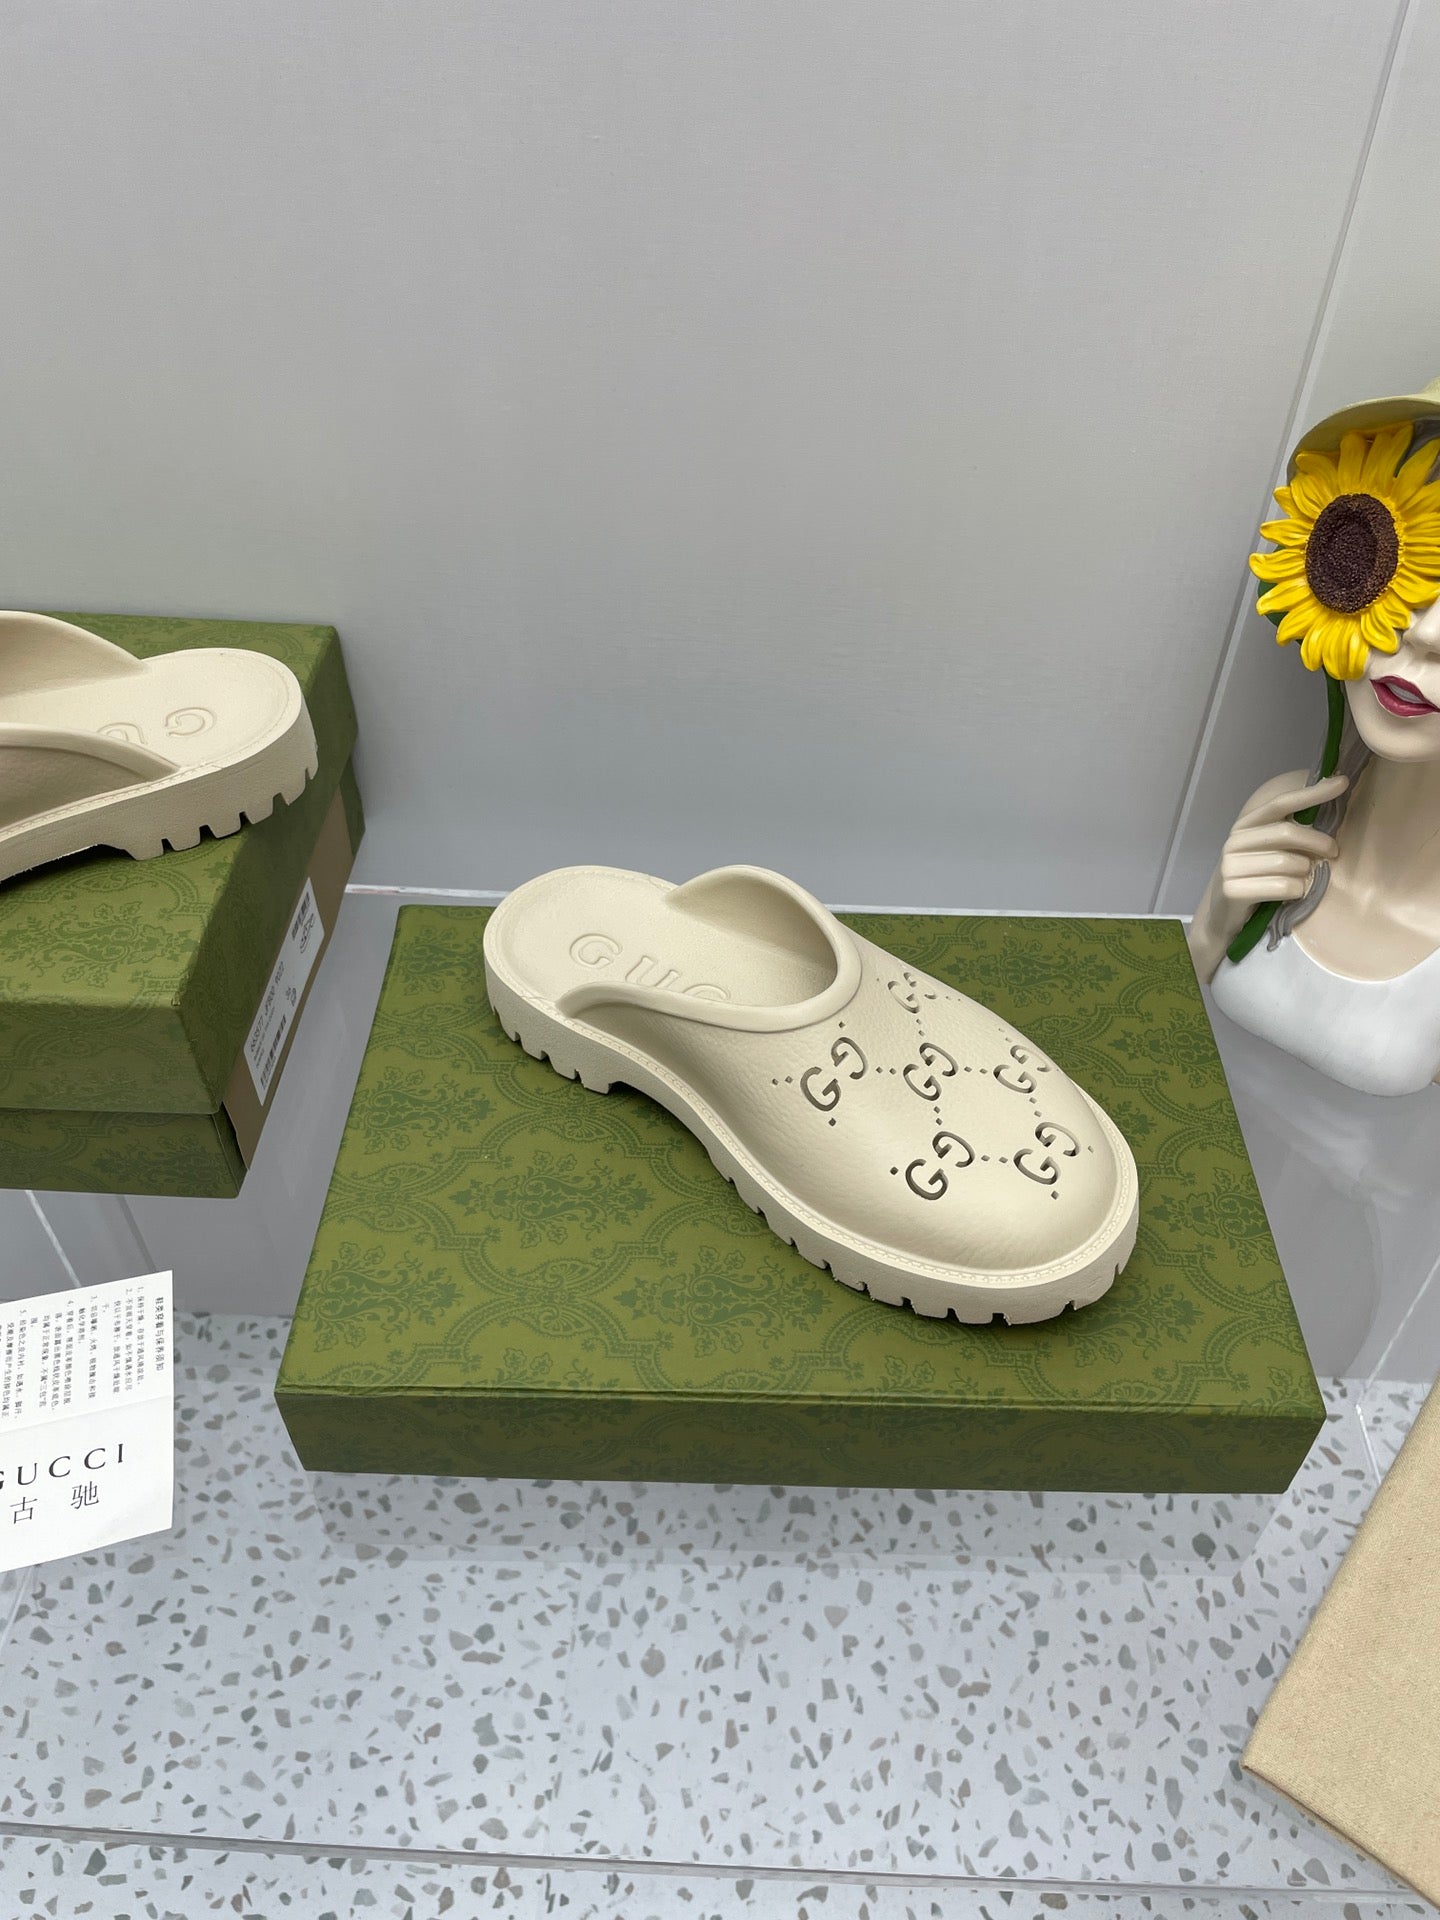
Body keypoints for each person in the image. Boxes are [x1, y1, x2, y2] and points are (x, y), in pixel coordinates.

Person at [1189, 377, 1440, 1097]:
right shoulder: (1284, 813)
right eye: (1414, 568)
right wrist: (1213, 923)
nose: (1428, 633)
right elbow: (1167, 1024)